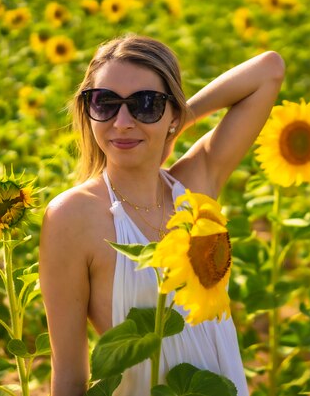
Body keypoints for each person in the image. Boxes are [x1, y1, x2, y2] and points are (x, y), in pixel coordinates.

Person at [39, 34, 285, 396]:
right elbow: (70, 375)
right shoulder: (73, 217)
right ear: (87, 110)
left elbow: (269, 70)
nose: (122, 122)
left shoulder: (194, 187)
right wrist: (155, 121)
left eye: (146, 104)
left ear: (173, 111)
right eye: (105, 103)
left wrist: (180, 121)